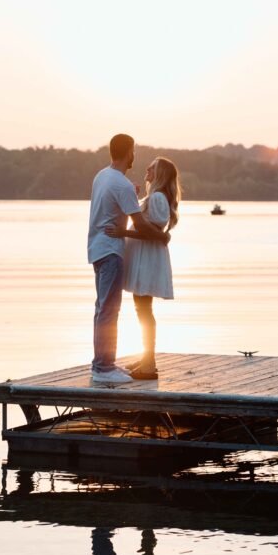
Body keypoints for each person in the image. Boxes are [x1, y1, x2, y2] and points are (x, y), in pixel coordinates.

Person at [87, 134, 170, 385]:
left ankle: (103, 364)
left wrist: (130, 194)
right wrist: (162, 237)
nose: (135, 156)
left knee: (103, 308)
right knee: (109, 310)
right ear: (129, 152)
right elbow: (142, 225)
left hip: (97, 249)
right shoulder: (121, 184)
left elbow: (113, 204)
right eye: (134, 151)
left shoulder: (102, 176)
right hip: (111, 251)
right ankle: (103, 368)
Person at [107, 156, 180, 380]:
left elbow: (150, 232)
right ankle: (147, 358)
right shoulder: (155, 197)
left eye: (153, 167)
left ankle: (149, 364)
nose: (147, 168)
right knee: (142, 309)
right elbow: (154, 230)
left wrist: (123, 233)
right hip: (145, 256)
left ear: (160, 175)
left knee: (144, 310)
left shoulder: (158, 197)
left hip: (147, 258)